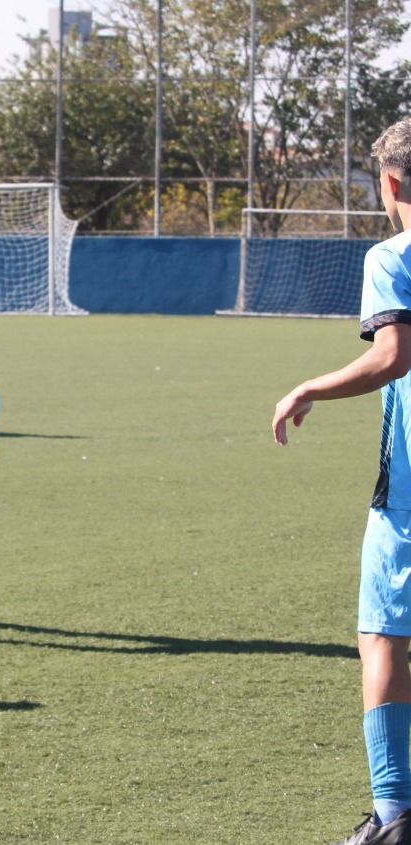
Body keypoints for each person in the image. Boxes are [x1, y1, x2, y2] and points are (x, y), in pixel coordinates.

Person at [272, 116, 411, 845]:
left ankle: (392, 816)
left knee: (383, 635)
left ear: (389, 184)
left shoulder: (393, 255)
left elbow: (391, 355)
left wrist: (309, 388)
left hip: (409, 498)